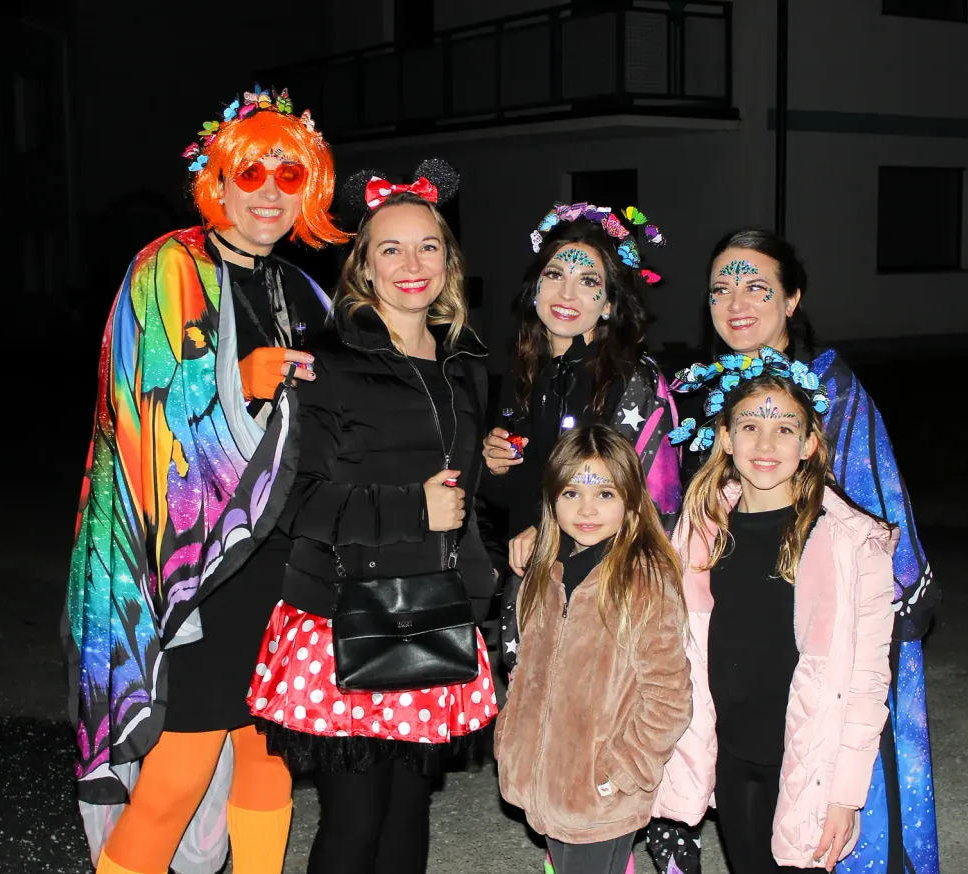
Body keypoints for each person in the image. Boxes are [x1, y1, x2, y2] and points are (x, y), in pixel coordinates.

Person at [64, 86, 348, 874]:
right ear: (216, 182)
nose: (266, 191)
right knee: (181, 765)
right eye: (249, 172)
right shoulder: (168, 266)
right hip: (195, 567)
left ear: (311, 190)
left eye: (289, 177)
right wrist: (241, 382)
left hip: (286, 564)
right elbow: (139, 404)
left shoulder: (304, 291)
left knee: (268, 755)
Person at [647, 228, 939, 874]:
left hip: (837, 661)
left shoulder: (832, 394)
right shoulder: (708, 399)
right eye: (722, 287)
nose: (737, 301)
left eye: (757, 285)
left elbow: (882, 528)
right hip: (740, 702)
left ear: (792, 299)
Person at [247, 162, 497, 874]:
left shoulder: (464, 363)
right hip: (341, 614)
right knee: (356, 820)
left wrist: (479, 589)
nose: (411, 264)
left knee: (409, 815)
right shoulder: (323, 362)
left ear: (450, 260)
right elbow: (292, 500)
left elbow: (466, 495)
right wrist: (412, 506)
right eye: (391, 248)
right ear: (363, 264)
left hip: (432, 612)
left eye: (428, 246)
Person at [654, 348, 896, 872]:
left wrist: (845, 796)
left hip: (807, 763)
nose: (765, 444)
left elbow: (867, 681)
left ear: (810, 442)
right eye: (749, 427)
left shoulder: (851, 545)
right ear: (724, 437)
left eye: (785, 429)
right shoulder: (698, 533)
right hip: (730, 756)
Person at [482, 203, 682, 671]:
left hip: (606, 595)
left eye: (588, 281)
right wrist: (492, 467)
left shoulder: (634, 382)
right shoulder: (522, 375)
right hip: (533, 591)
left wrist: (545, 528)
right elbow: (512, 497)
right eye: (554, 275)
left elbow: (649, 503)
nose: (566, 292)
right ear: (535, 287)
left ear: (609, 303)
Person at [495, 424, 692, 874]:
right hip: (545, 781)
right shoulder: (546, 571)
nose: (586, 510)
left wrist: (620, 774)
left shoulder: (643, 579)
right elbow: (525, 670)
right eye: (571, 494)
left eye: (604, 494)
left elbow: (669, 698)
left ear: (630, 498)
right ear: (552, 500)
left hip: (602, 794)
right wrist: (511, 738)